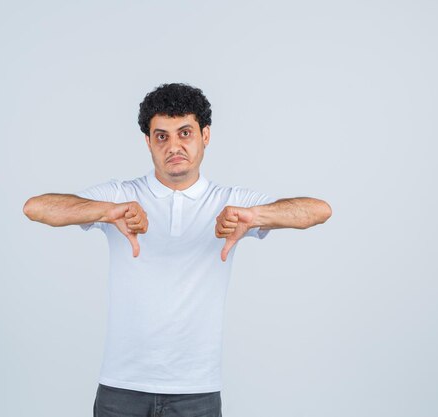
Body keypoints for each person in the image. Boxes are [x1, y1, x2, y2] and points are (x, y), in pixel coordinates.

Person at [23, 83, 332, 417]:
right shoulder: (121, 196)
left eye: (185, 133)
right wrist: (104, 211)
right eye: (161, 136)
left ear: (205, 135)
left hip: (196, 391)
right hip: (121, 386)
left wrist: (255, 216)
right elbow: (36, 208)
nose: (174, 146)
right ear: (148, 142)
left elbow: (318, 211)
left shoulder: (229, 201)